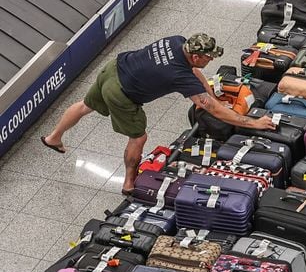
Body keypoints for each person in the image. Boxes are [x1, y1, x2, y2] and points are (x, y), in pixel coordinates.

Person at [41, 33, 275, 194]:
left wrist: (210, 94)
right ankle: (129, 182)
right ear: (195, 56)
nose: (211, 59)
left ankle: (54, 138)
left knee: (85, 105)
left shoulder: (177, 42)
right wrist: (254, 123)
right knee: (139, 136)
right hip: (121, 92)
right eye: (209, 57)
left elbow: (194, 74)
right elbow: (214, 111)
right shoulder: (178, 75)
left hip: (113, 68)